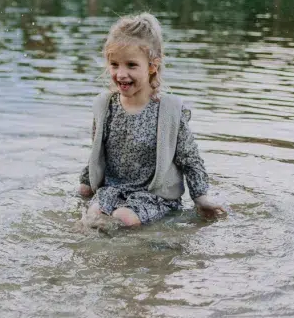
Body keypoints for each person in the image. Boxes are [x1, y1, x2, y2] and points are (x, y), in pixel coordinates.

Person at [78, 13, 226, 228]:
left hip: (154, 195)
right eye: (114, 64)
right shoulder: (105, 106)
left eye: (131, 65)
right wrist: (85, 184)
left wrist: (201, 198)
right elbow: (96, 153)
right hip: (112, 190)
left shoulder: (169, 111)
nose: (121, 74)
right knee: (92, 216)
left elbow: (190, 159)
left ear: (152, 66)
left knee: (124, 219)